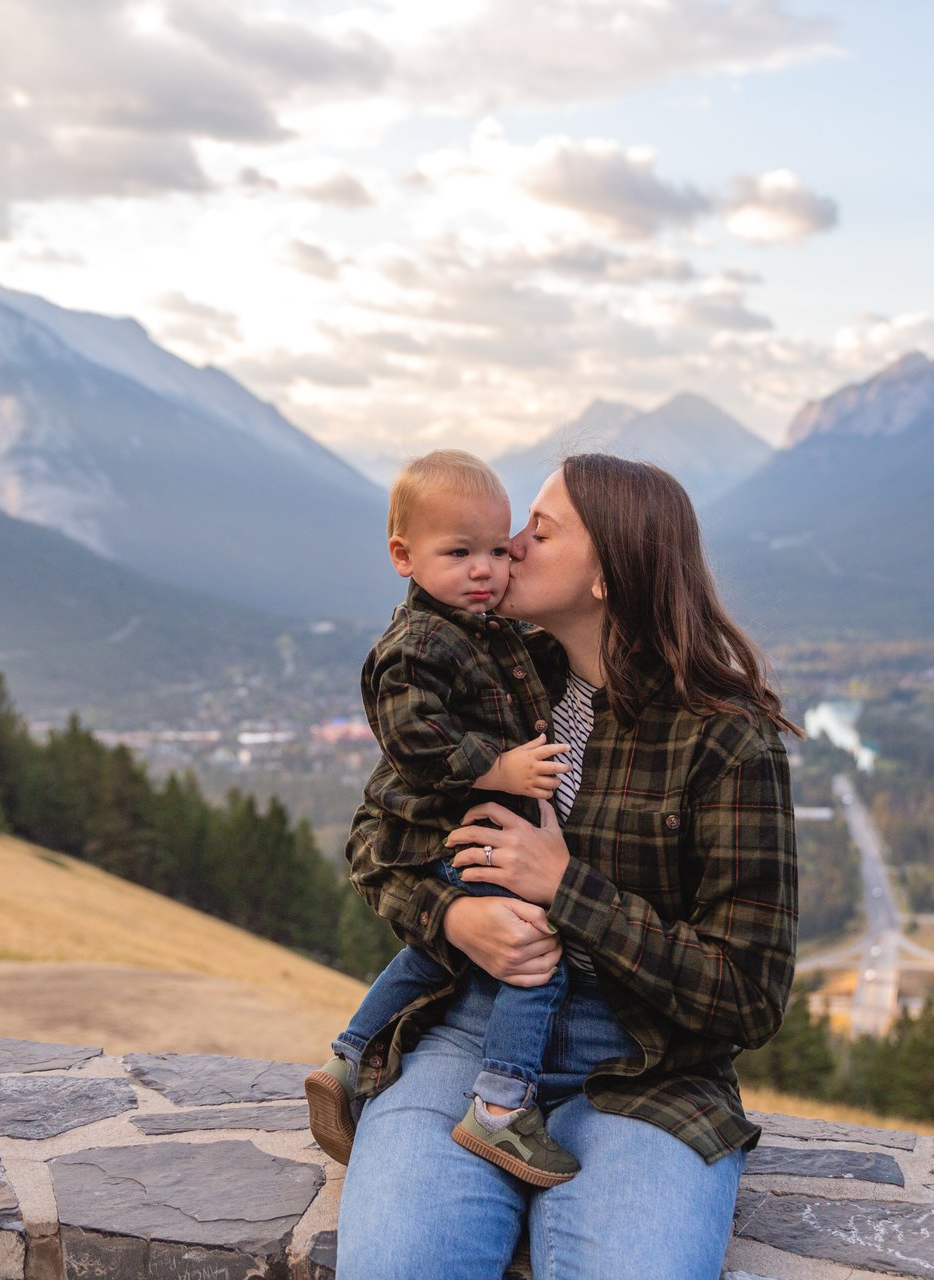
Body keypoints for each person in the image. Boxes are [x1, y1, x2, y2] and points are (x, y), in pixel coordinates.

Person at [335, 454, 800, 1280]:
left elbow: (748, 995)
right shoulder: (495, 680)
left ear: (607, 573)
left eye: (538, 531)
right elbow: (376, 841)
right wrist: (452, 918)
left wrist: (566, 889)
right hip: (467, 1034)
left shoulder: (724, 739)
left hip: (647, 1067)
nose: (508, 546)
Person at [307, 449, 582, 1187]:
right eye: (460, 553)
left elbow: (534, 663)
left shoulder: (482, 628)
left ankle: (352, 1059)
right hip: (447, 835)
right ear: (403, 555)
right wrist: (500, 769)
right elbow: (413, 740)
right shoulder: (417, 644)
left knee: (436, 954)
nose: (487, 568)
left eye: (497, 549)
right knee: (535, 947)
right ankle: (500, 1106)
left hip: (463, 840)